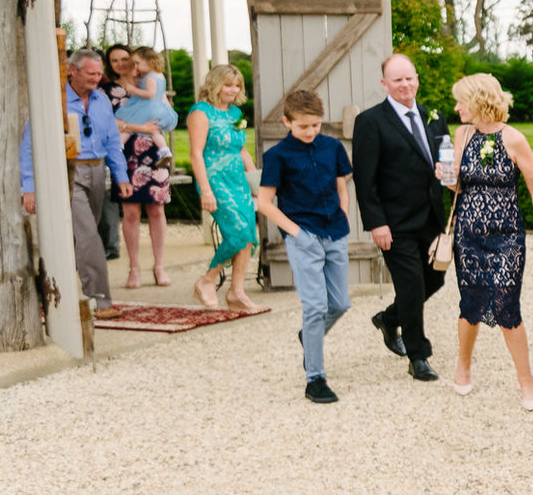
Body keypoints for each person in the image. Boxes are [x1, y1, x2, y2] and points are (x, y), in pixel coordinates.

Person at [444, 72, 533, 410]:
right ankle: (463, 366)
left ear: (478, 101)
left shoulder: (514, 138)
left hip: (507, 235)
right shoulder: (462, 135)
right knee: (471, 303)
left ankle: (527, 381)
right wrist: (446, 177)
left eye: (461, 100)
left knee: (508, 306)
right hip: (468, 234)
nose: (456, 107)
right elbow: (458, 187)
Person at [256, 87, 357, 404]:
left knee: (340, 304)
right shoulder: (277, 157)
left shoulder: (332, 147)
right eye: (303, 126)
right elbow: (264, 203)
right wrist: (297, 234)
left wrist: (343, 213)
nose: (311, 131)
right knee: (315, 308)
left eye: (315, 125)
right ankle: (315, 378)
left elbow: (342, 186)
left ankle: (308, 337)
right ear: (287, 121)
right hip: (304, 237)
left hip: (335, 232)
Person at [353, 52, 448, 382]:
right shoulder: (370, 121)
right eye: (397, 79)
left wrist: (447, 174)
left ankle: (389, 318)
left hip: (432, 219)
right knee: (410, 287)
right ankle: (418, 355)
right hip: (394, 224)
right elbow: (365, 180)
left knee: (434, 279)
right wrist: (376, 223)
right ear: (384, 84)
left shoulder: (433, 116)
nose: (405, 84)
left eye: (409, 78)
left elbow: (442, 161)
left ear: (417, 79)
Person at [19, 49, 126, 317]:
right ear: (72, 70)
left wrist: (121, 175)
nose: (97, 78)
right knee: (88, 236)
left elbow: (113, 139)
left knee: (85, 236)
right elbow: (29, 145)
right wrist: (29, 187)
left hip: (98, 170)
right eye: (91, 73)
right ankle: (100, 300)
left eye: (99, 73)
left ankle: (54, 290)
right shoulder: (55, 100)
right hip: (68, 172)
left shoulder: (102, 99)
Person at [187, 65, 258, 312]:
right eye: (228, 84)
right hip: (214, 180)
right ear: (215, 85)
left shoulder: (235, 113)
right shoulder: (201, 112)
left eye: (237, 85)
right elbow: (195, 154)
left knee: (248, 233)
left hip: (238, 180)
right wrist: (205, 191)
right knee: (237, 232)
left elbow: (242, 149)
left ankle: (237, 292)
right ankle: (207, 280)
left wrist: (256, 182)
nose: (233, 90)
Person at [109, 44, 177, 289]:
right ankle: (134, 268)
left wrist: (158, 124)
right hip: (125, 154)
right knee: (131, 212)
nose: (122, 64)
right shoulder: (111, 90)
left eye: (125, 59)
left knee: (157, 210)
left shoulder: (152, 81)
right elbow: (109, 123)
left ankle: (159, 265)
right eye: (114, 60)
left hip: (153, 153)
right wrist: (140, 128)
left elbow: (165, 113)